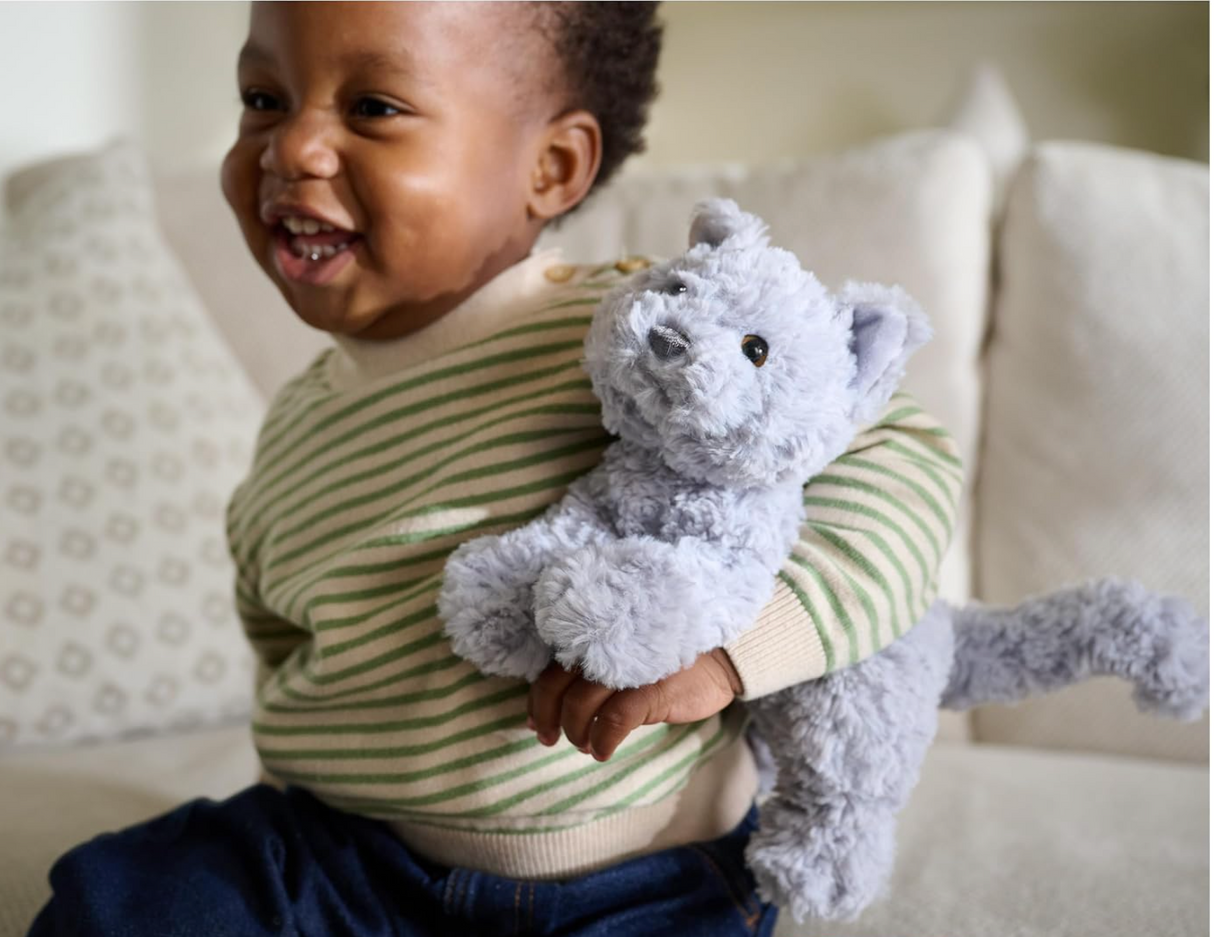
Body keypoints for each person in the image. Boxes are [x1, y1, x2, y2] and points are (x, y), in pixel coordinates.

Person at [29, 4, 963, 935]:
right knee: (124, 900)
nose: (293, 147)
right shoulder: (294, 428)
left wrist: (733, 652)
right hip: (346, 860)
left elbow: (901, 460)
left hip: (637, 875)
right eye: (264, 98)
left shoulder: (639, 337)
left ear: (550, 168)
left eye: (373, 108)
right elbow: (285, 647)